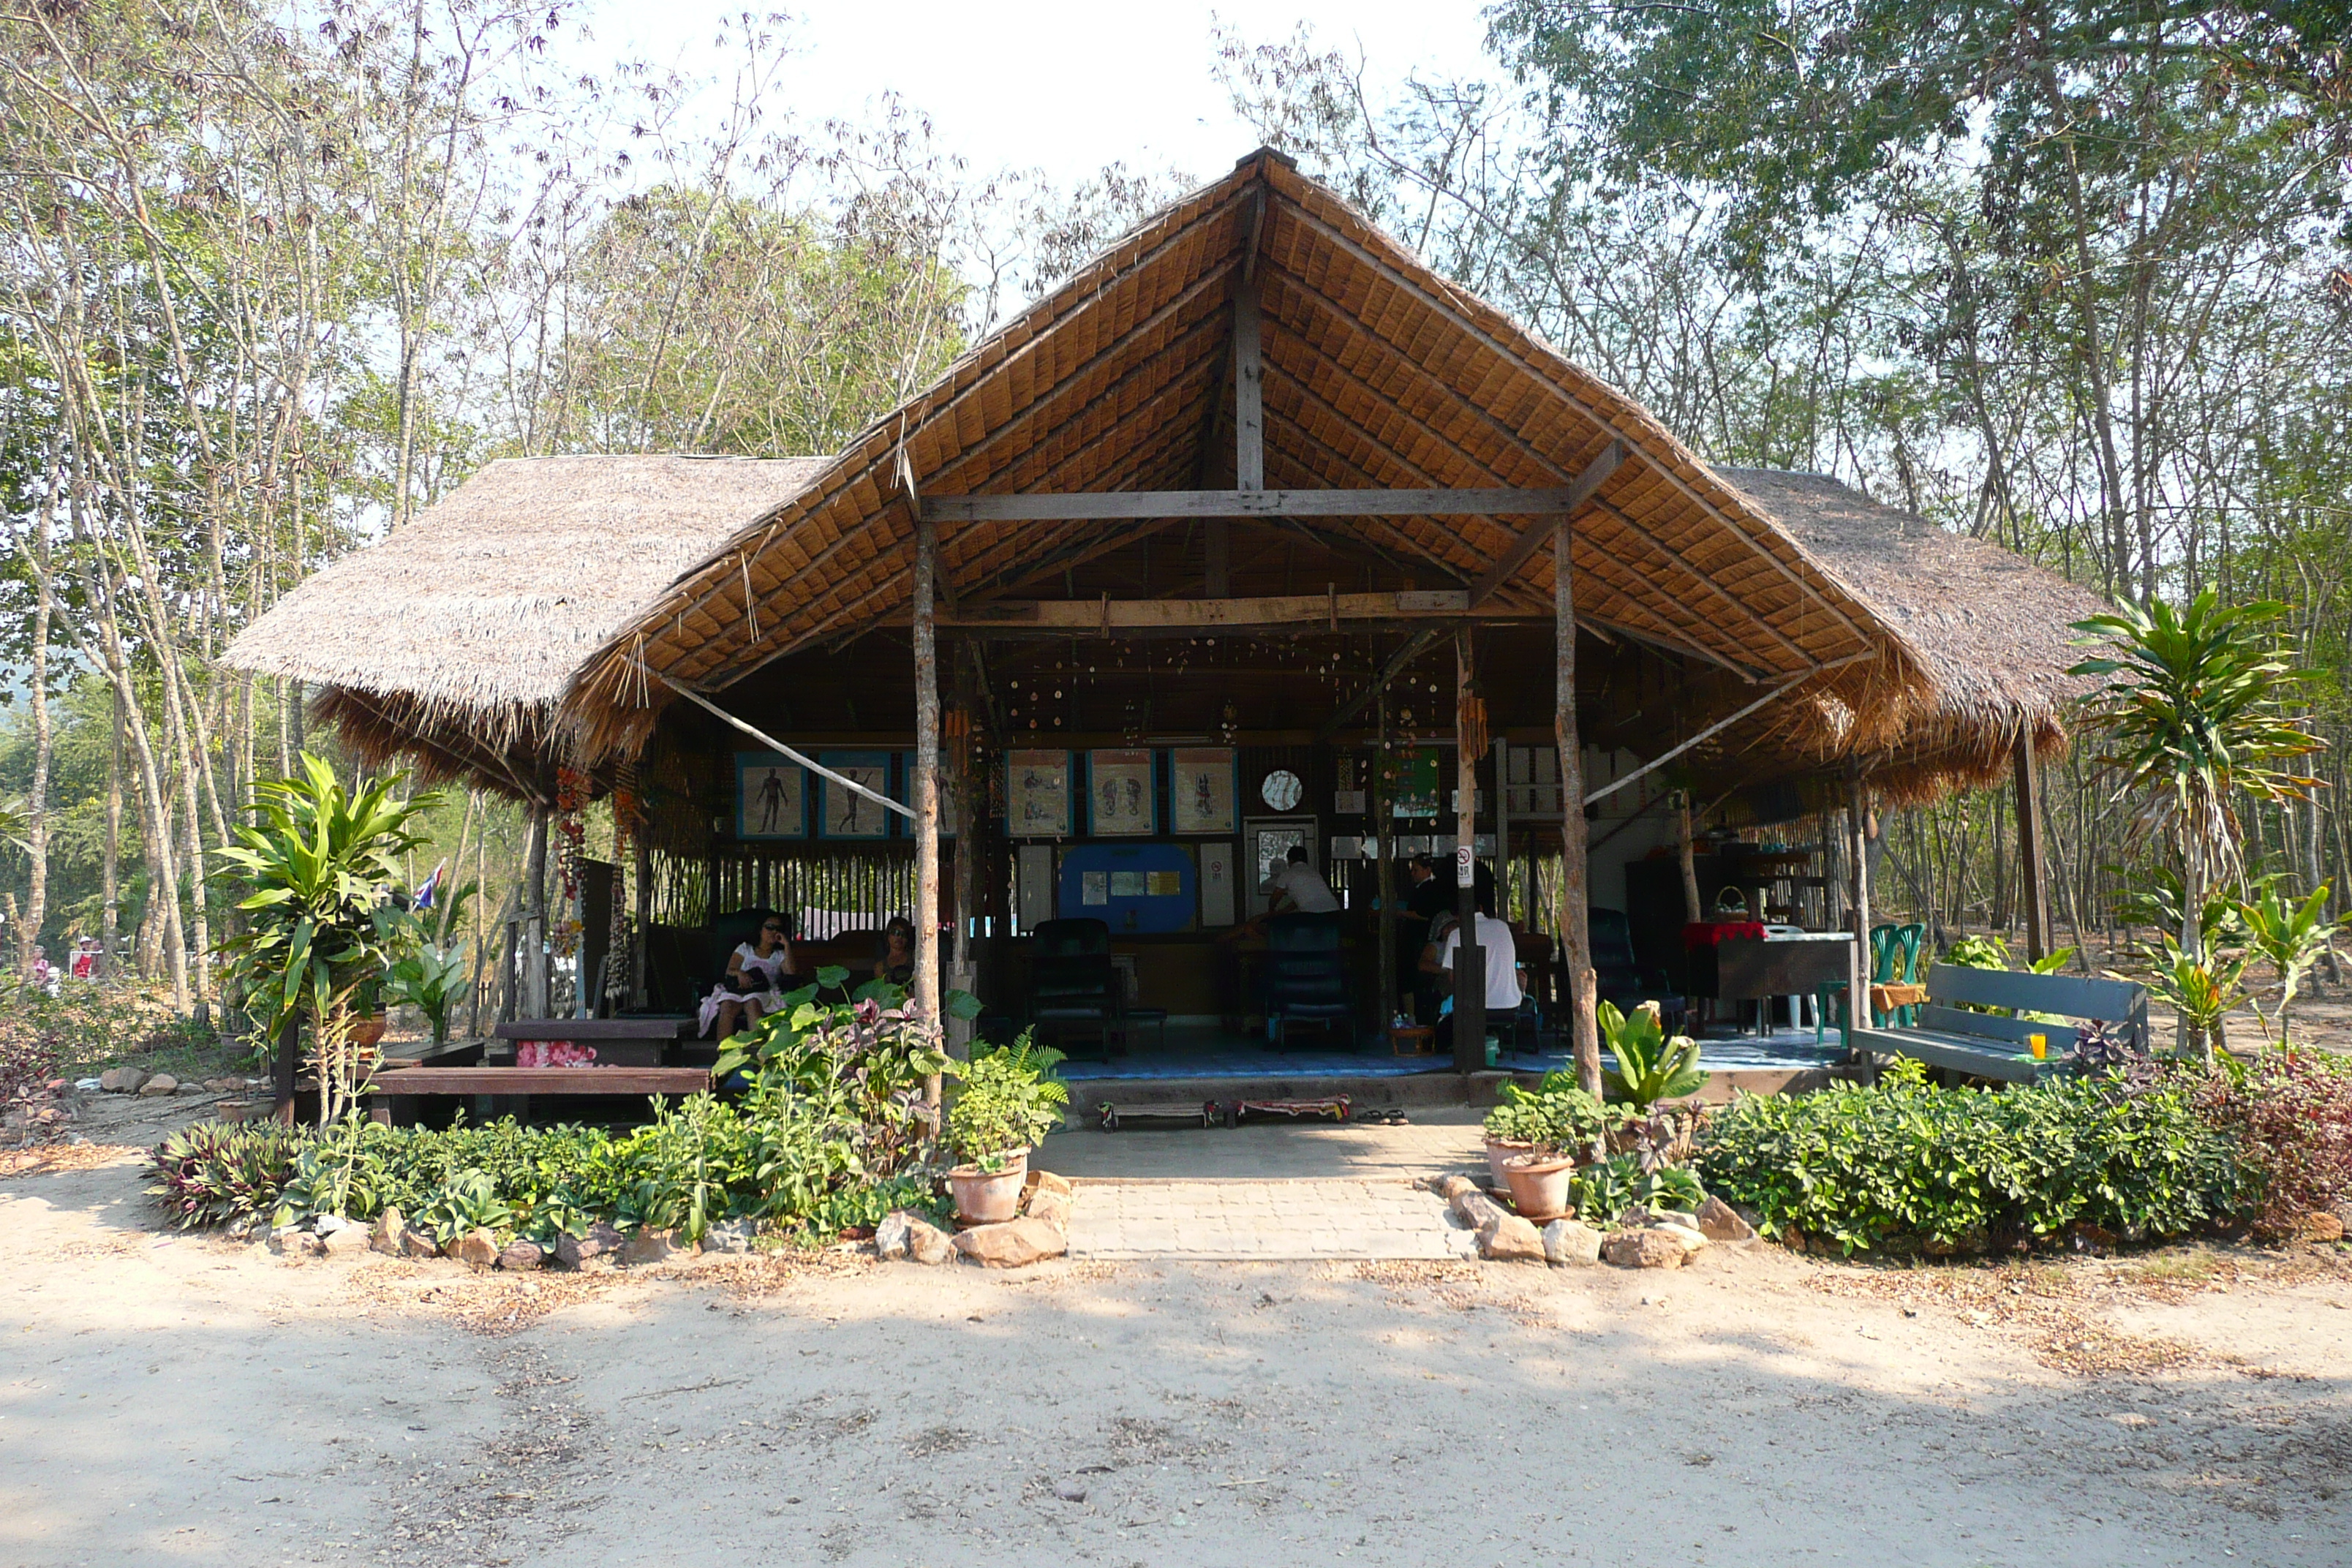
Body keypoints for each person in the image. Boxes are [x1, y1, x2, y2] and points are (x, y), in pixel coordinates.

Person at [1423, 891, 1523, 1057]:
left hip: (1475, 1010)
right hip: (1510, 1005)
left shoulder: (1458, 935)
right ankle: (1492, 1042)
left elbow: (1453, 977)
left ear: (1456, 916)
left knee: (1443, 1029)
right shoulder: (1502, 927)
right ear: (1481, 908)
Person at [699, 914, 795, 1039]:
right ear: (760, 930)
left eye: (778, 928)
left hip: (762, 992)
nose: (774, 931)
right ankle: (722, 1052)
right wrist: (740, 974)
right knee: (727, 1006)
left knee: (752, 1003)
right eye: (770, 927)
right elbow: (730, 970)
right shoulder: (745, 949)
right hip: (739, 989)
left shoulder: (779, 955)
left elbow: (791, 973)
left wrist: (786, 945)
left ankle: (755, 1050)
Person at [1260, 845, 1339, 915]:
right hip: (1335, 913)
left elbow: (1275, 898)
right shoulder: (1314, 873)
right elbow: (1298, 901)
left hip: (1314, 916)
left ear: (1290, 861)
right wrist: (1282, 912)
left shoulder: (1287, 874)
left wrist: (1271, 912)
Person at [874, 915, 917, 987]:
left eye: (904, 934)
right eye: (895, 933)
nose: (900, 937)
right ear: (888, 935)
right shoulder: (880, 967)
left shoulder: (914, 957)